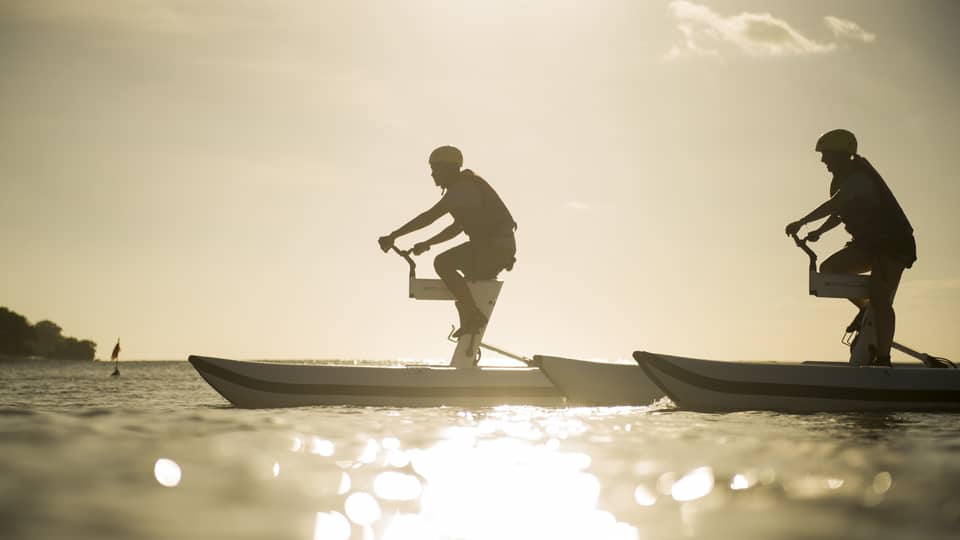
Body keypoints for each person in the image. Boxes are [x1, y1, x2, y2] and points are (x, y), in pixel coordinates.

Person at [785, 129, 916, 367]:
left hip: (893, 246)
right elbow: (839, 213)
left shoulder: (859, 179)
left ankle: (883, 359)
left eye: (826, 155)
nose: (823, 160)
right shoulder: (845, 179)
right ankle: (867, 309)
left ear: (841, 155)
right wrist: (819, 232)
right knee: (830, 269)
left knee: (879, 296)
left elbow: (835, 203)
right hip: (870, 244)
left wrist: (802, 222)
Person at [378, 146, 518, 337]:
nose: (432, 174)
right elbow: (456, 228)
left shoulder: (463, 188)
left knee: (443, 263)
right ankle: (470, 320)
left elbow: (429, 217)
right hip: (496, 249)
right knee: (454, 271)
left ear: (449, 169)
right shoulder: (464, 188)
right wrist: (428, 243)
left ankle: (473, 315)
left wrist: (393, 235)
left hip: (494, 249)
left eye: (435, 169)